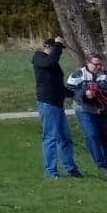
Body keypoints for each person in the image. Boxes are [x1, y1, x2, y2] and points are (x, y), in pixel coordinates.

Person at [32, 37, 81, 178]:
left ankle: (71, 169)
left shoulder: (53, 63)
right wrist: (58, 44)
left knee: (65, 138)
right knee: (50, 138)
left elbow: (57, 85)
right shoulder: (39, 57)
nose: (60, 52)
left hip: (58, 104)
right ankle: (50, 171)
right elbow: (49, 62)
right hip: (47, 104)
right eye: (57, 49)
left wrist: (74, 95)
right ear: (48, 47)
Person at [67, 50, 107, 174]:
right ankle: (101, 165)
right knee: (91, 135)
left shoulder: (106, 75)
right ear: (88, 63)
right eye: (95, 64)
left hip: (103, 111)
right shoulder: (78, 74)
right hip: (84, 110)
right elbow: (70, 91)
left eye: (100, 64)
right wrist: (85, 93)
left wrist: (98, 88)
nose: (98, 67)